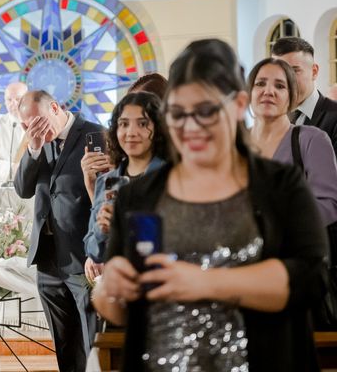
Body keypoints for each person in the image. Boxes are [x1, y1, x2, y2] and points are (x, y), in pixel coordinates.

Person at [93, 39, 327, 371]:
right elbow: (120, 305)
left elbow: (310, 280)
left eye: (206, 111)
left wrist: (205, 282)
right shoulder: (140, 195)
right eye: (177, 113)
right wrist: (108, 292)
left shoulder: (279, 186)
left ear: (238, 105)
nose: (190, 127)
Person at [13, 90, 103, 372]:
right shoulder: (38, 143)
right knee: (64, 345)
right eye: (27, 127)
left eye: (37, 123)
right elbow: (23, 189)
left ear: (54, 107)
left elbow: (105, 196)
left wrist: (99, 249)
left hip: (83, 257)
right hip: (48, 260)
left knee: (92, 341)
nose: (33, 130)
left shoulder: (97, 134)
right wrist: (34, 147)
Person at [83, 92, 167, 282]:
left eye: (143, 124)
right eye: (124, 124)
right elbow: (92, 250)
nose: (131, 132)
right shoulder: (107, 182)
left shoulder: (172, 177)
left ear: (159, 129)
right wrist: (101, 230)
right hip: (120, 289)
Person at [248, 58, 337, 225]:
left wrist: (274, 223)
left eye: (280, 86)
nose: (268, 91)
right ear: (248, 93)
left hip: (294, 247)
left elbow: (329, 205)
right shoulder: (233, 143)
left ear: (292, 98)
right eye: (260, 83)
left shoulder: (312, 140)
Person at [272, 37, 337, 156]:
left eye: (294, 71)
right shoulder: (270, 117)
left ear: (314, 71)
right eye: (279, 72)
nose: (286, 80)